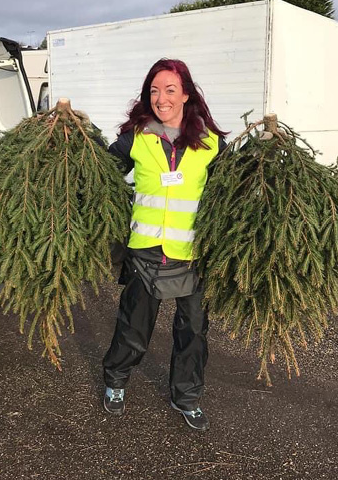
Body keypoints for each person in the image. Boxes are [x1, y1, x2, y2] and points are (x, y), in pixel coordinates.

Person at [101, 58, 229, 431]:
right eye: (154, 91)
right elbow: (100, 180)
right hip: (145, 251)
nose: (161, 98)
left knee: (193, 331)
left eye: (170, 90)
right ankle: (116, 381)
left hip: (193, 255)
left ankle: (186, 398)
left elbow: (235, 193)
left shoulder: (211, 145)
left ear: (186, 94)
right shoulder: (135, 139)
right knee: (134, 326)